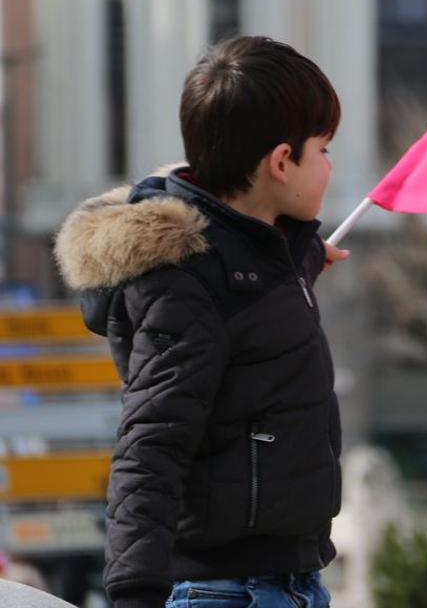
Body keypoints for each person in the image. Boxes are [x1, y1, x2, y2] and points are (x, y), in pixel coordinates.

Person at [54, 36, 351, 608]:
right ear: (282, 162)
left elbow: (252, 279)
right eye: (325, 149)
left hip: (293, 582)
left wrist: (308, 259)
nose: (331, 166)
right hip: (225, 590)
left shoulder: (265, 256)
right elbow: (151, 444)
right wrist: (135, 594)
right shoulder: (189, 283)